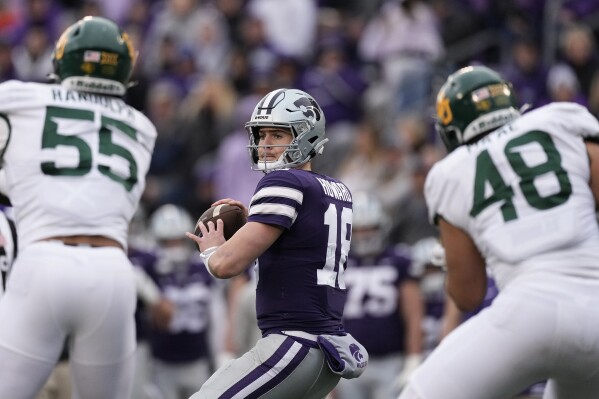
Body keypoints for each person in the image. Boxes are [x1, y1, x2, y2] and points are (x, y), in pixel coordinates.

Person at [398, 65, 599, 399]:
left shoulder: (449, 172)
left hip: (530, 311)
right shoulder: (561, 119)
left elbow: (468, 294)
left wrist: (463, 252)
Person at [0, 16, 157, 398]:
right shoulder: (142, 127)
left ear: (62, 60)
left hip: (44, 261)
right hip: (112, 273)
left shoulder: (19, 99)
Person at [186, 88, 367, 398]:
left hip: (291, 343)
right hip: (325, 351)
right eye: (262, 133)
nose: (266, 143)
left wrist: (212, 248)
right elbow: (300, 247)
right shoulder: (337, 189)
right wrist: (253, 223)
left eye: (278, 134)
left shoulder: (282, 181)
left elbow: (225, 265)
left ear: (306, 135)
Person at [335, 191, 423, 399]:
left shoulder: (398, 259)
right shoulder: (340, 262)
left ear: (382, 226)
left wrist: (414, 357)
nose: (365, 234)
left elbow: (414, 314)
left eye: (371, 227)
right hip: (350, 360)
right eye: (359, 229)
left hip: (390, 360)